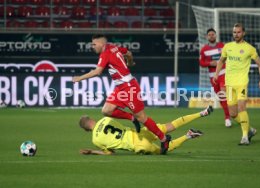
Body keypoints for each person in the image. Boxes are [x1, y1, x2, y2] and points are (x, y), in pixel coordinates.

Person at [72, 34, 171, 154]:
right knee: (106, 110)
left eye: (94, 44)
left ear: (101, 44)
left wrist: (79, 78)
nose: (92, 46)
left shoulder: (105, 54)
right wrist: (130, 62)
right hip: (121, 88)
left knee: (142, 118)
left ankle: (164, 139)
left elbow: (98, 71)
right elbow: (128, 53)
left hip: (129, 87)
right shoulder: (113, 47)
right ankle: (132, 118)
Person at [78, 106, 213, 155]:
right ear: (91, 120)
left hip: (138, 145)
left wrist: (92, 151)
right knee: (170, 125)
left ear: (85, 130)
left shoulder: (95, 140)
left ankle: (188, 135)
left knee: (163, 150)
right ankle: (201, 113)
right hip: (141, 132)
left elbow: (110, 153)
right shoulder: (106, 119)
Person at [213, 23, 260, 145]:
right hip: (229, 84)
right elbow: (221, 61)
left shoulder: (249, 48)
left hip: (241, 83)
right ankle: (250, 130)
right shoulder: (227, 47)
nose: (236, 34)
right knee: (232, 114)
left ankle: (244, 137)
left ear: (243, 33)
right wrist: (216, 74)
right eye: (234, 32)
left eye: (238, 32)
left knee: (242, 107)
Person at [199, 28, 231, 128]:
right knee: (221, 97)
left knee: (223, 92)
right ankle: (228, 115)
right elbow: (201, 62)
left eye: (213, 34)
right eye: (209, 35)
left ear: (216, 35)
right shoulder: (204, 49)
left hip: (223, 73)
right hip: (213, 76)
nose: (211, 36)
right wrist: (210, 63)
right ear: (207, 37)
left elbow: (229, 57)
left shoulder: (222, 46)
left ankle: (227, 118)